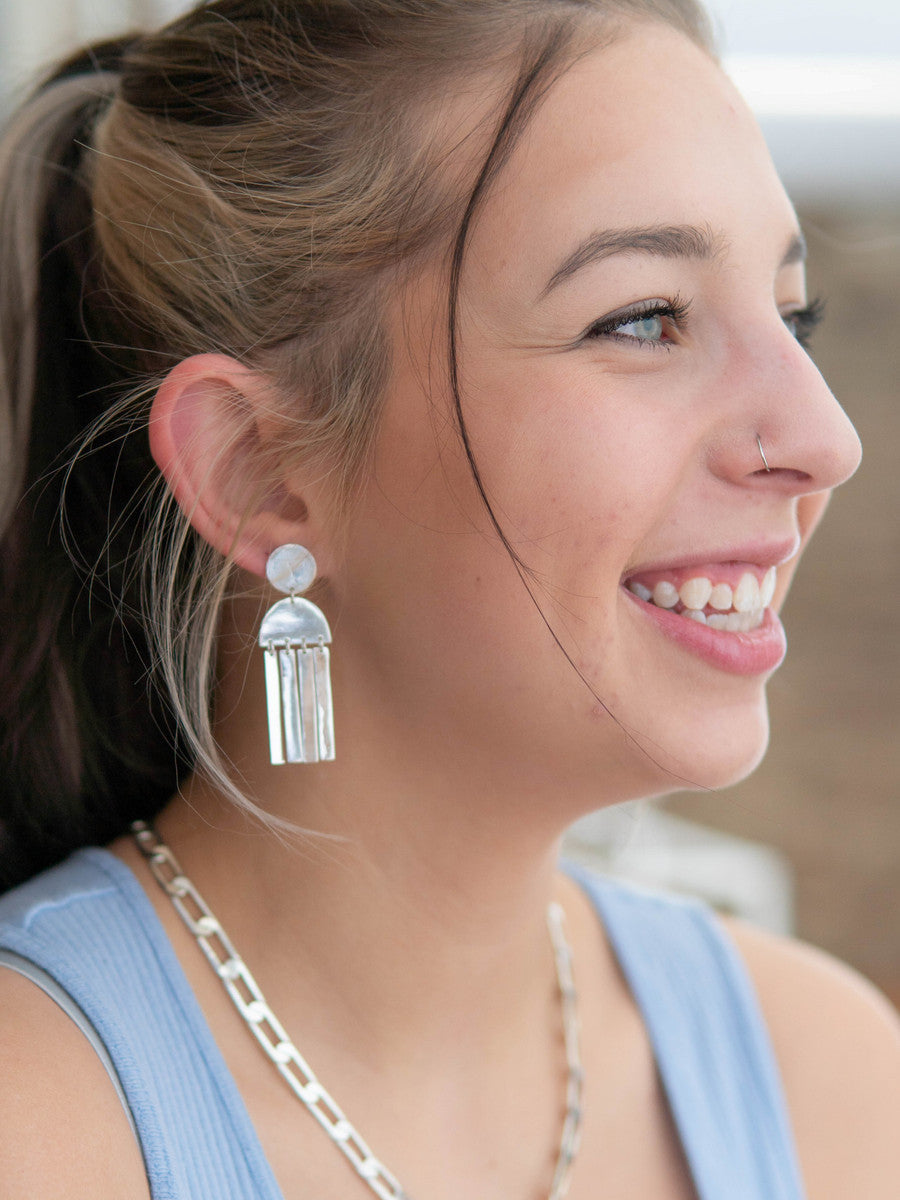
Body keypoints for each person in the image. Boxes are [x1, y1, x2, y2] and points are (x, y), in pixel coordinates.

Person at [0, 0, 897, 1196]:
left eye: (795, 318)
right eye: (642, 319)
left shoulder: (827, 1086)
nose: (824, 440)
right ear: (259, 467)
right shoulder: (39, 1130)